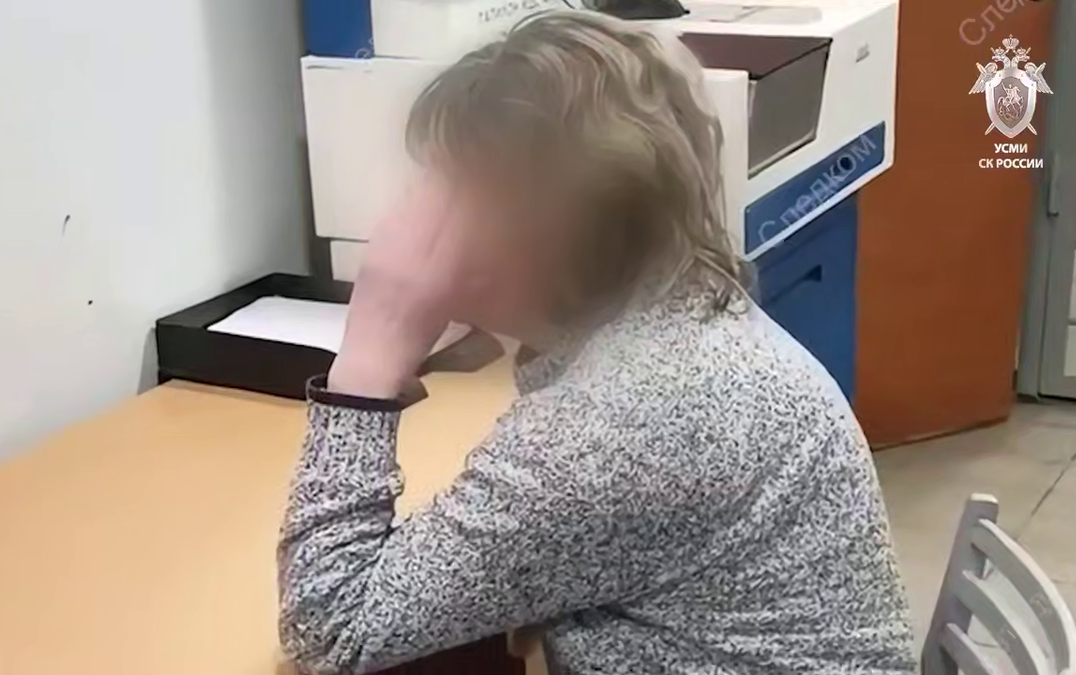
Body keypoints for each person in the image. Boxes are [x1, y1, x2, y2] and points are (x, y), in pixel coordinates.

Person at [277, 9, 916, 675]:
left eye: (445, 195)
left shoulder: (615, 423)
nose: (413, 221)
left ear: (526, 235)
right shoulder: (680, 307)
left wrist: (367, 365)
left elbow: (334, 628)